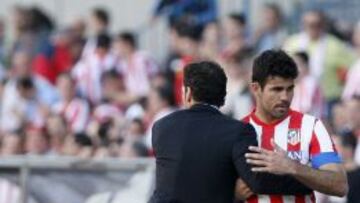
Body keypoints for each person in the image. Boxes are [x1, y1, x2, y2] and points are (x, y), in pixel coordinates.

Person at [149, 61, 312, 203]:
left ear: (188, 93)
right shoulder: (238, 131)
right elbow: (257, 182)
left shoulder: (161, 127)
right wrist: (310, 180)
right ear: (223, 97)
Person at [240, 50, 348, 202]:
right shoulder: (238, 129)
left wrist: (292, 167)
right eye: (277, 89)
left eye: (290, 89)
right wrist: (233, 193)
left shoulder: (311, 127)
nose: (284, 97)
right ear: (256, 88)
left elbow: (340, 185)